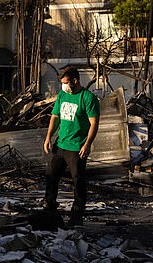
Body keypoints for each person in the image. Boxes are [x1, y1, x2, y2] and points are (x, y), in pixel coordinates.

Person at [43, 67, 100, 227]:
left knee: (78, 181)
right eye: (62, 83)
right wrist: (48, 137)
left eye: (66, 83)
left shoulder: (88, 98)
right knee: (51, 177)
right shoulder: (62, 95)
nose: (64, 86)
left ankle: (77, 215)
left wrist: (87, 144)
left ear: (75, 81)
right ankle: (50, 208)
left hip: (76, 148)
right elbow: (55, 117)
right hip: (60, 144)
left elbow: (94, 124)